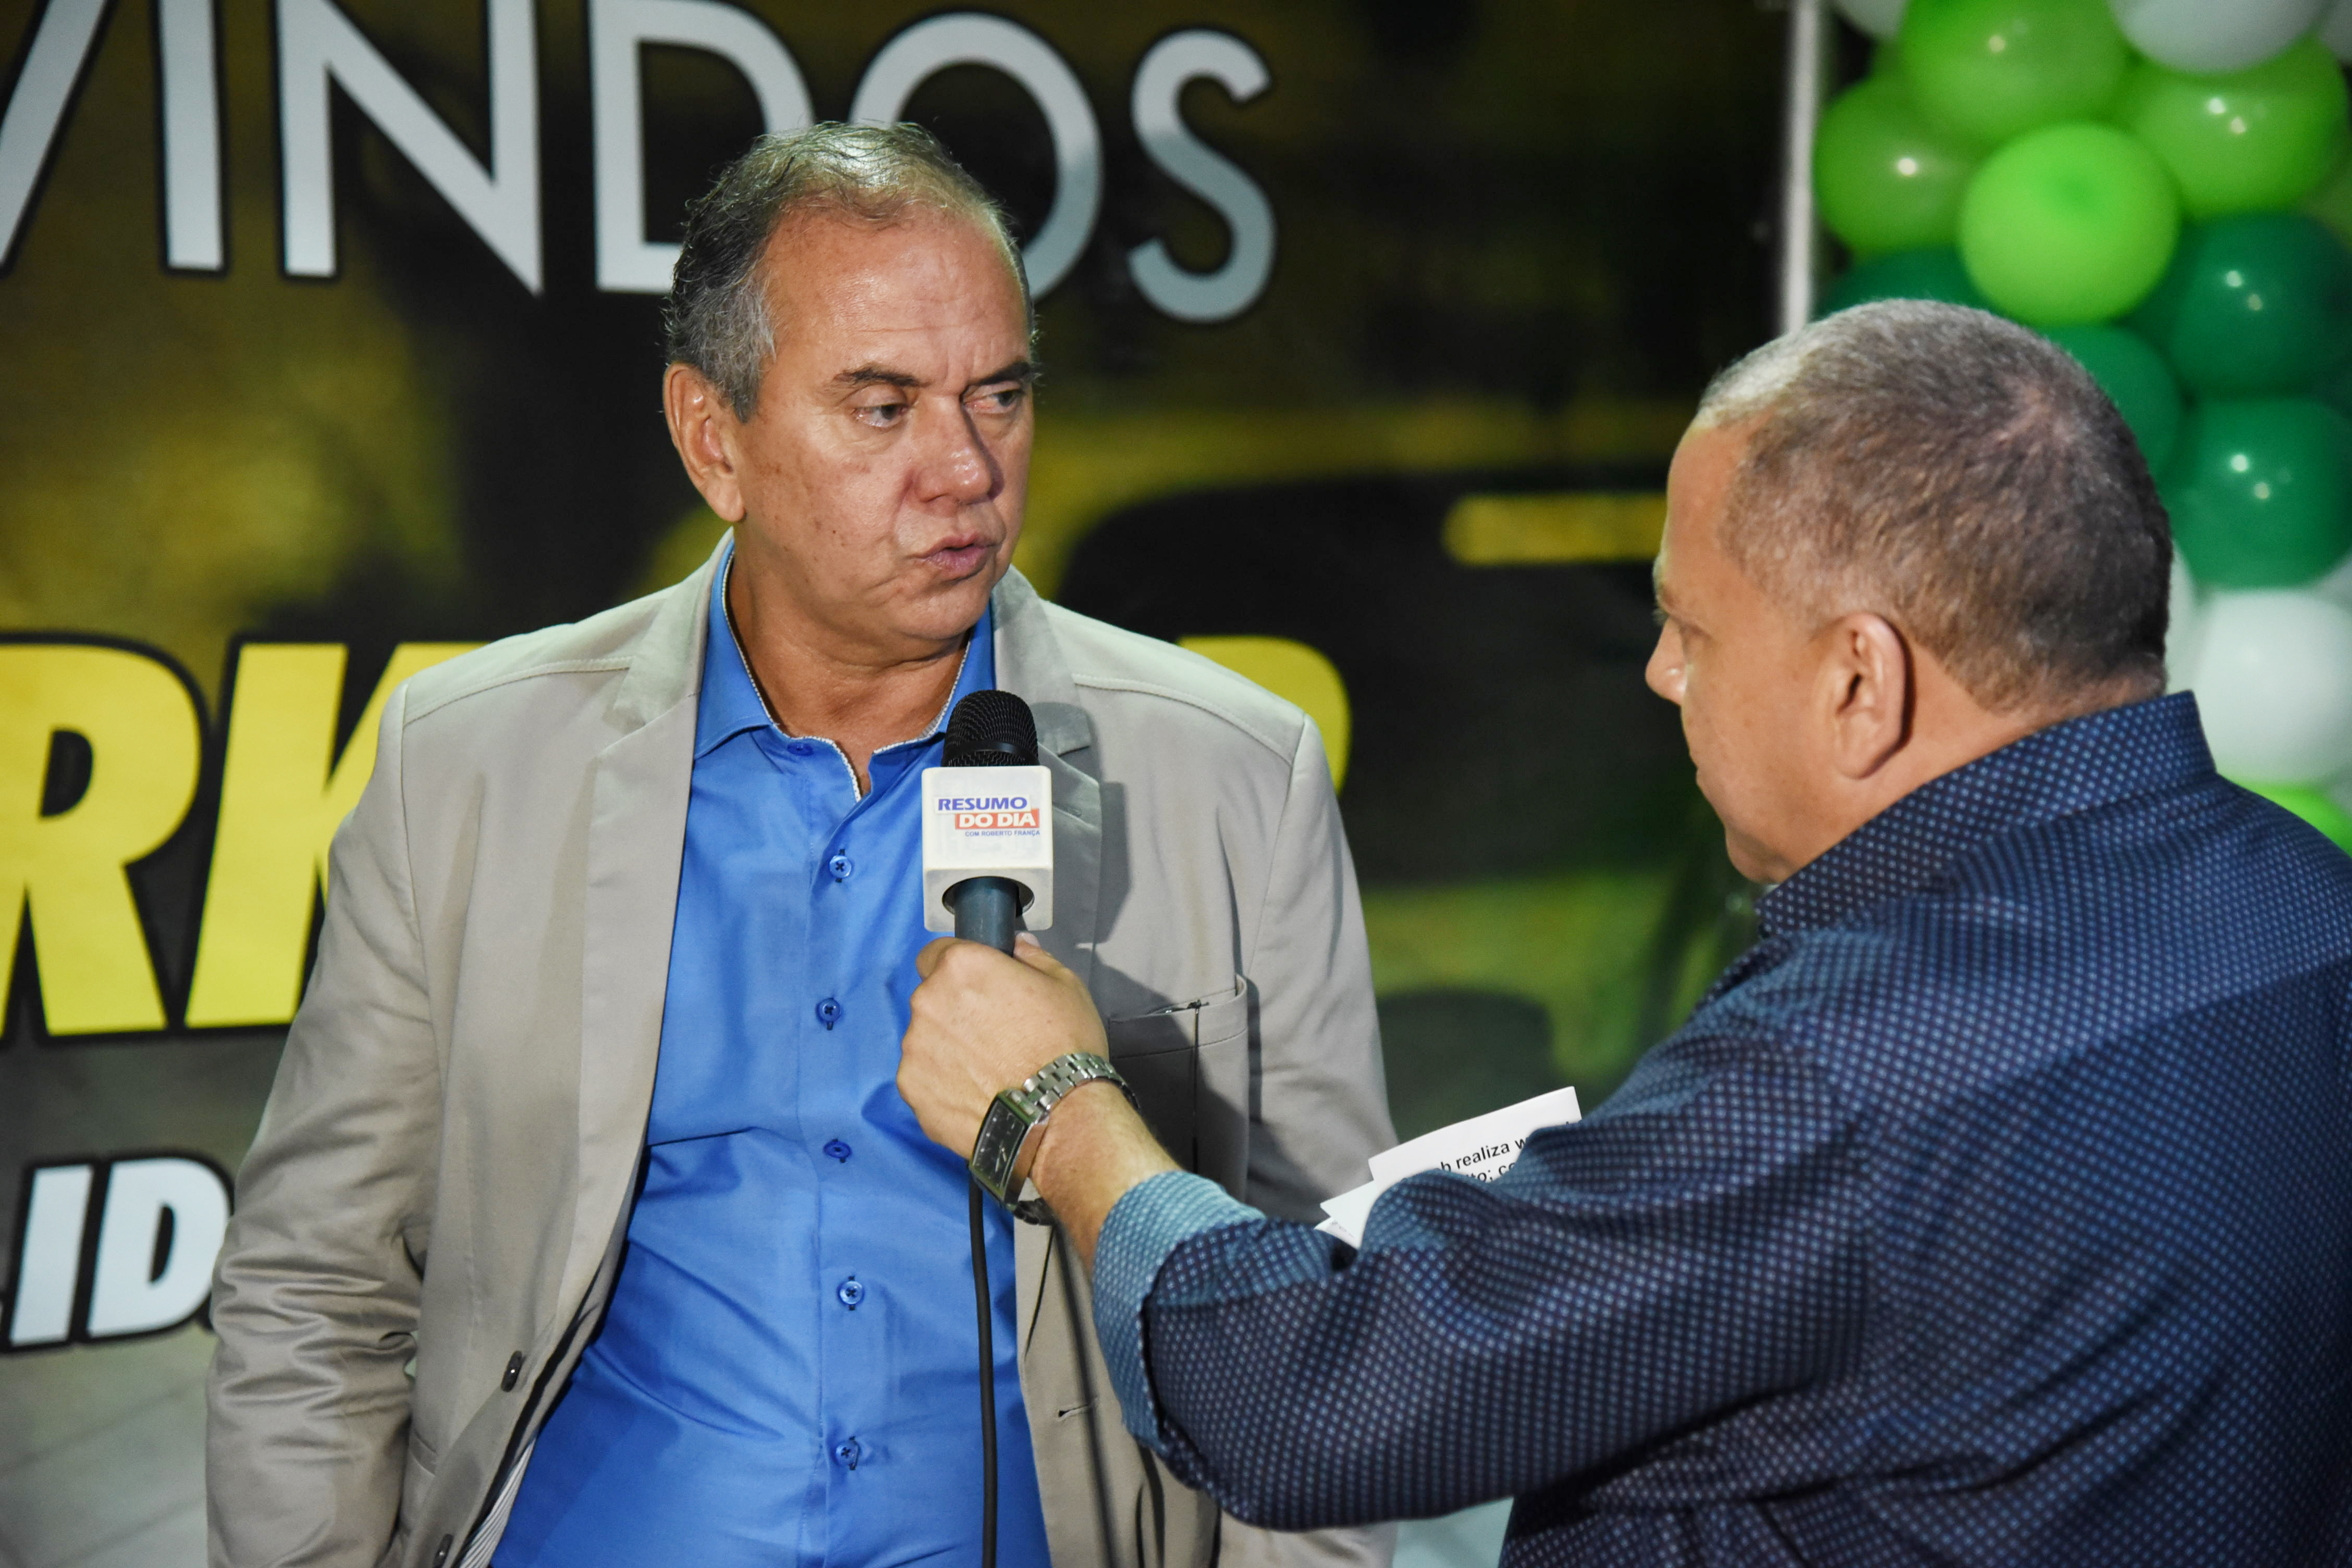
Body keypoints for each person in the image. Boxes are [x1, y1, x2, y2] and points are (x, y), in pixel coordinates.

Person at [894, 300, 2352, 1565]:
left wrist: (1060, 1114)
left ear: (1862, 683)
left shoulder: (1853, 1072)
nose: (1660, 675)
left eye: (1692, 629)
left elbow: (1309, 1399)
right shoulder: (2311, 907)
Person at [204, 124, 1394, 1568]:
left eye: (1000, 395)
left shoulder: (1235, 776)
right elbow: (316, 1287)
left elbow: (1337, 1324)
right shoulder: (465, 764)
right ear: (715, 440)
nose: (966, 470)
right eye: (884, 409)